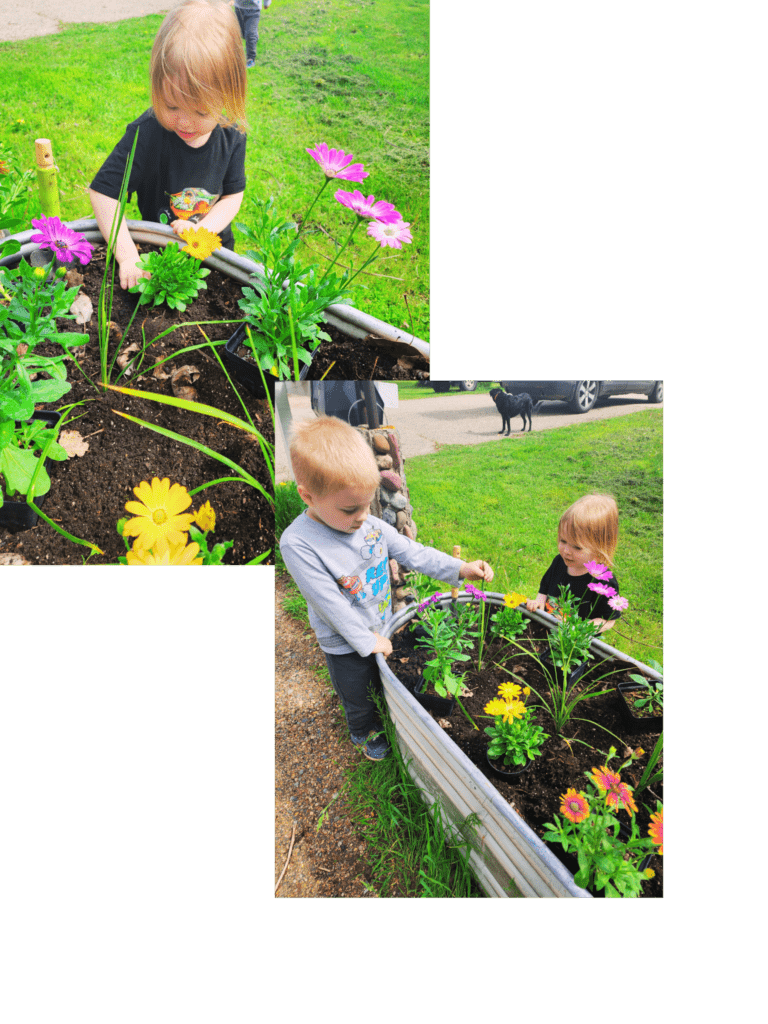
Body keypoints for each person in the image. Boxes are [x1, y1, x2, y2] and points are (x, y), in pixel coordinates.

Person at [280, 416, 494, 761]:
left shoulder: (370, 525)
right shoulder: (299, 544)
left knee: (383, 677)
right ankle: (362, 731)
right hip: (344, 641)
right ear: (308, 496)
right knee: (357, 692)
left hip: (380, 623)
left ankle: (386, 709)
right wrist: (365, 641)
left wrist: (460, 569)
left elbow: (414, 552)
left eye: (367, 503)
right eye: (351, 508)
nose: (364, 516)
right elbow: (329, 605)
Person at [88, 0, 247, 290]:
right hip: (158, 260)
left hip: (215, 258)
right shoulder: (146, 134)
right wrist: (127, 256)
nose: (184, 122)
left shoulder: (231, 133)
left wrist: (200, 234)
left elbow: (233, 196)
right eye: (172, 105)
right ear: (156, 83)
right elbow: (103, 194)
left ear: (229, 97)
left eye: (200, 112)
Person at [526, 494, 622, 632]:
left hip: (573, 645)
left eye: (577, 547)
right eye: (563, 541)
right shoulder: (559, 562)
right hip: (546, 629)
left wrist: (579, 629)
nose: (566, 551)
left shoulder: (605, 583)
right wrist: (538, 602)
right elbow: (544, 589)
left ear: (601, 548)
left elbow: (608, 620)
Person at [231, 0, 271, 68]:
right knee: (241, 33)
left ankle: (250, 59)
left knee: (250, 35)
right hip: (239, 7)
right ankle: (254, 35)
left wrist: (266, 3)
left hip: (254, 9)